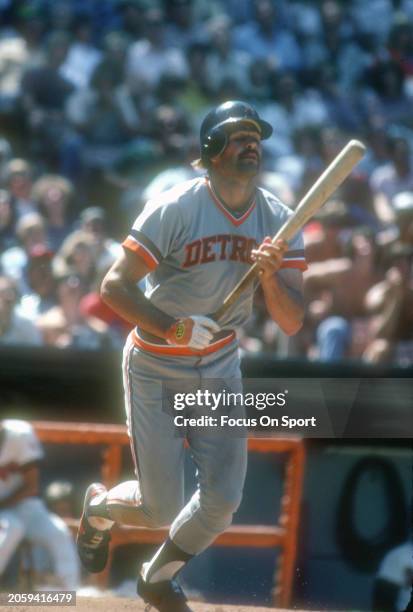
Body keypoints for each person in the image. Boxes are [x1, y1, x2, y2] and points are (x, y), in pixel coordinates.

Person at [76, 100, 306, 611]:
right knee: (159, 508)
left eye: (257, 136)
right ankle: (99, 510)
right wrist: (174, 327)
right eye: (239, 135)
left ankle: (157, 578)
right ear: (210, 150)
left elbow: (292, 320)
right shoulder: (176, 206)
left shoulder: (278, 218)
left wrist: (270, 274)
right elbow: (114, 287)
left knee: (223, 501)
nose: (252, 144)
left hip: (220, 365)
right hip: (157, 361)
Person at [0, 419, 79, 590]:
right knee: (12, 528)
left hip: (23, 505)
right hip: (4, 515)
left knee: (59, 533)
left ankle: (70, 595)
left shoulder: (19, 433)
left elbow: (31, 486)